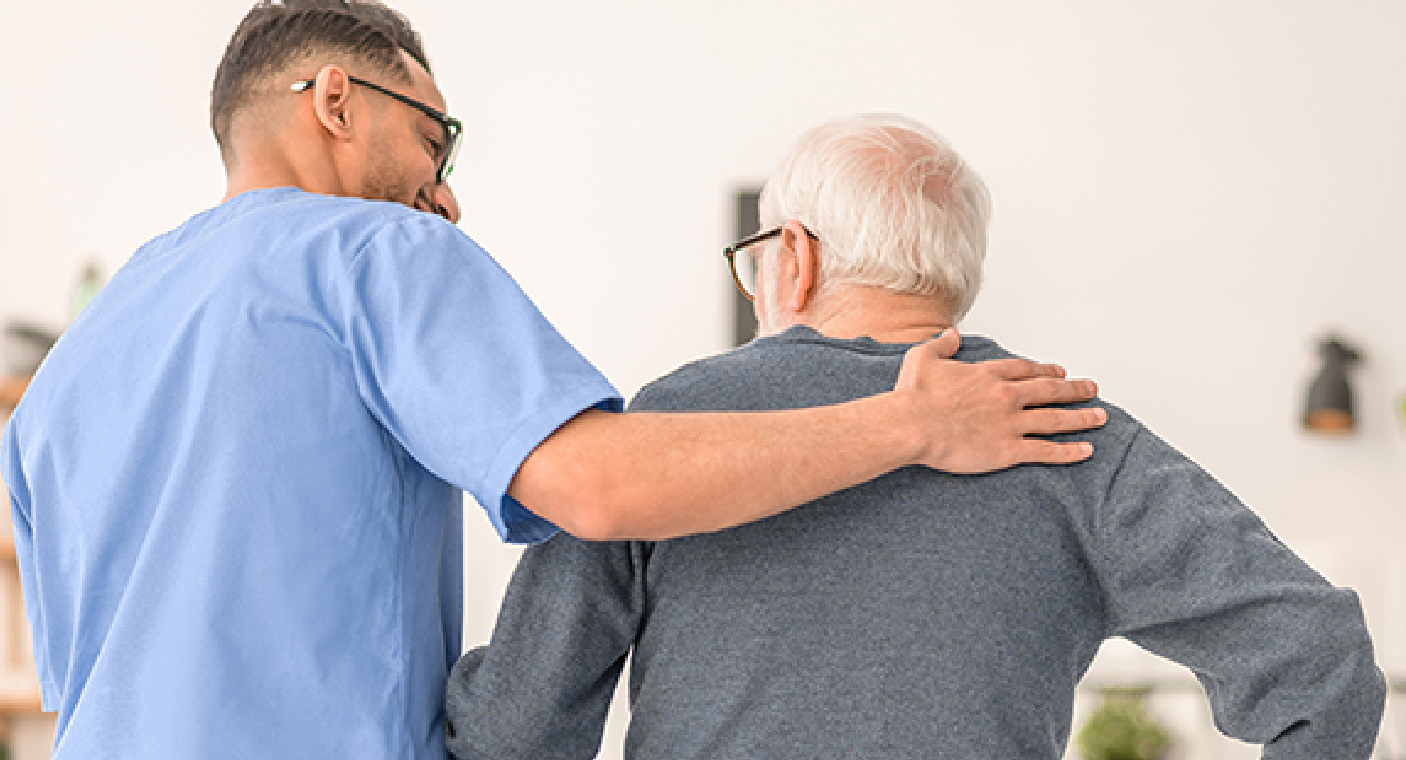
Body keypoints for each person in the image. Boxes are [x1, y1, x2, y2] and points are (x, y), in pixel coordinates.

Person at [0, 3, 1108, 759]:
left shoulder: (78, 354)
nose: (446, 190)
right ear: (335, 101)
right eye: (440, 138)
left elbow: (84, 667)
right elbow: (598, 487)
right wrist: (908, 423)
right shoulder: (377, 253)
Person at [444, 113, 1388, 760]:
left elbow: (514, 735)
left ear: (795, 258)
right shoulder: (1070, 436)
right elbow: (1325, 663)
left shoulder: (662, 433)